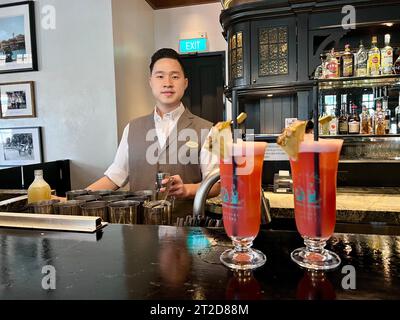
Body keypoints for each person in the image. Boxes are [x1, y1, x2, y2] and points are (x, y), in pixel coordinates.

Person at [86, 48, 220, 216]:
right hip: (139, 231)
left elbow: (215, 184)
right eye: (160, 76)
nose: (167, 83)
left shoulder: (209, 130)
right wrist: (74, 198)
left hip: (187, 231)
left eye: (175, 76)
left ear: (185, 83)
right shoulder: (132, 128)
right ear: (150, 82)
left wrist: (186, 189)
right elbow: (114, 177)